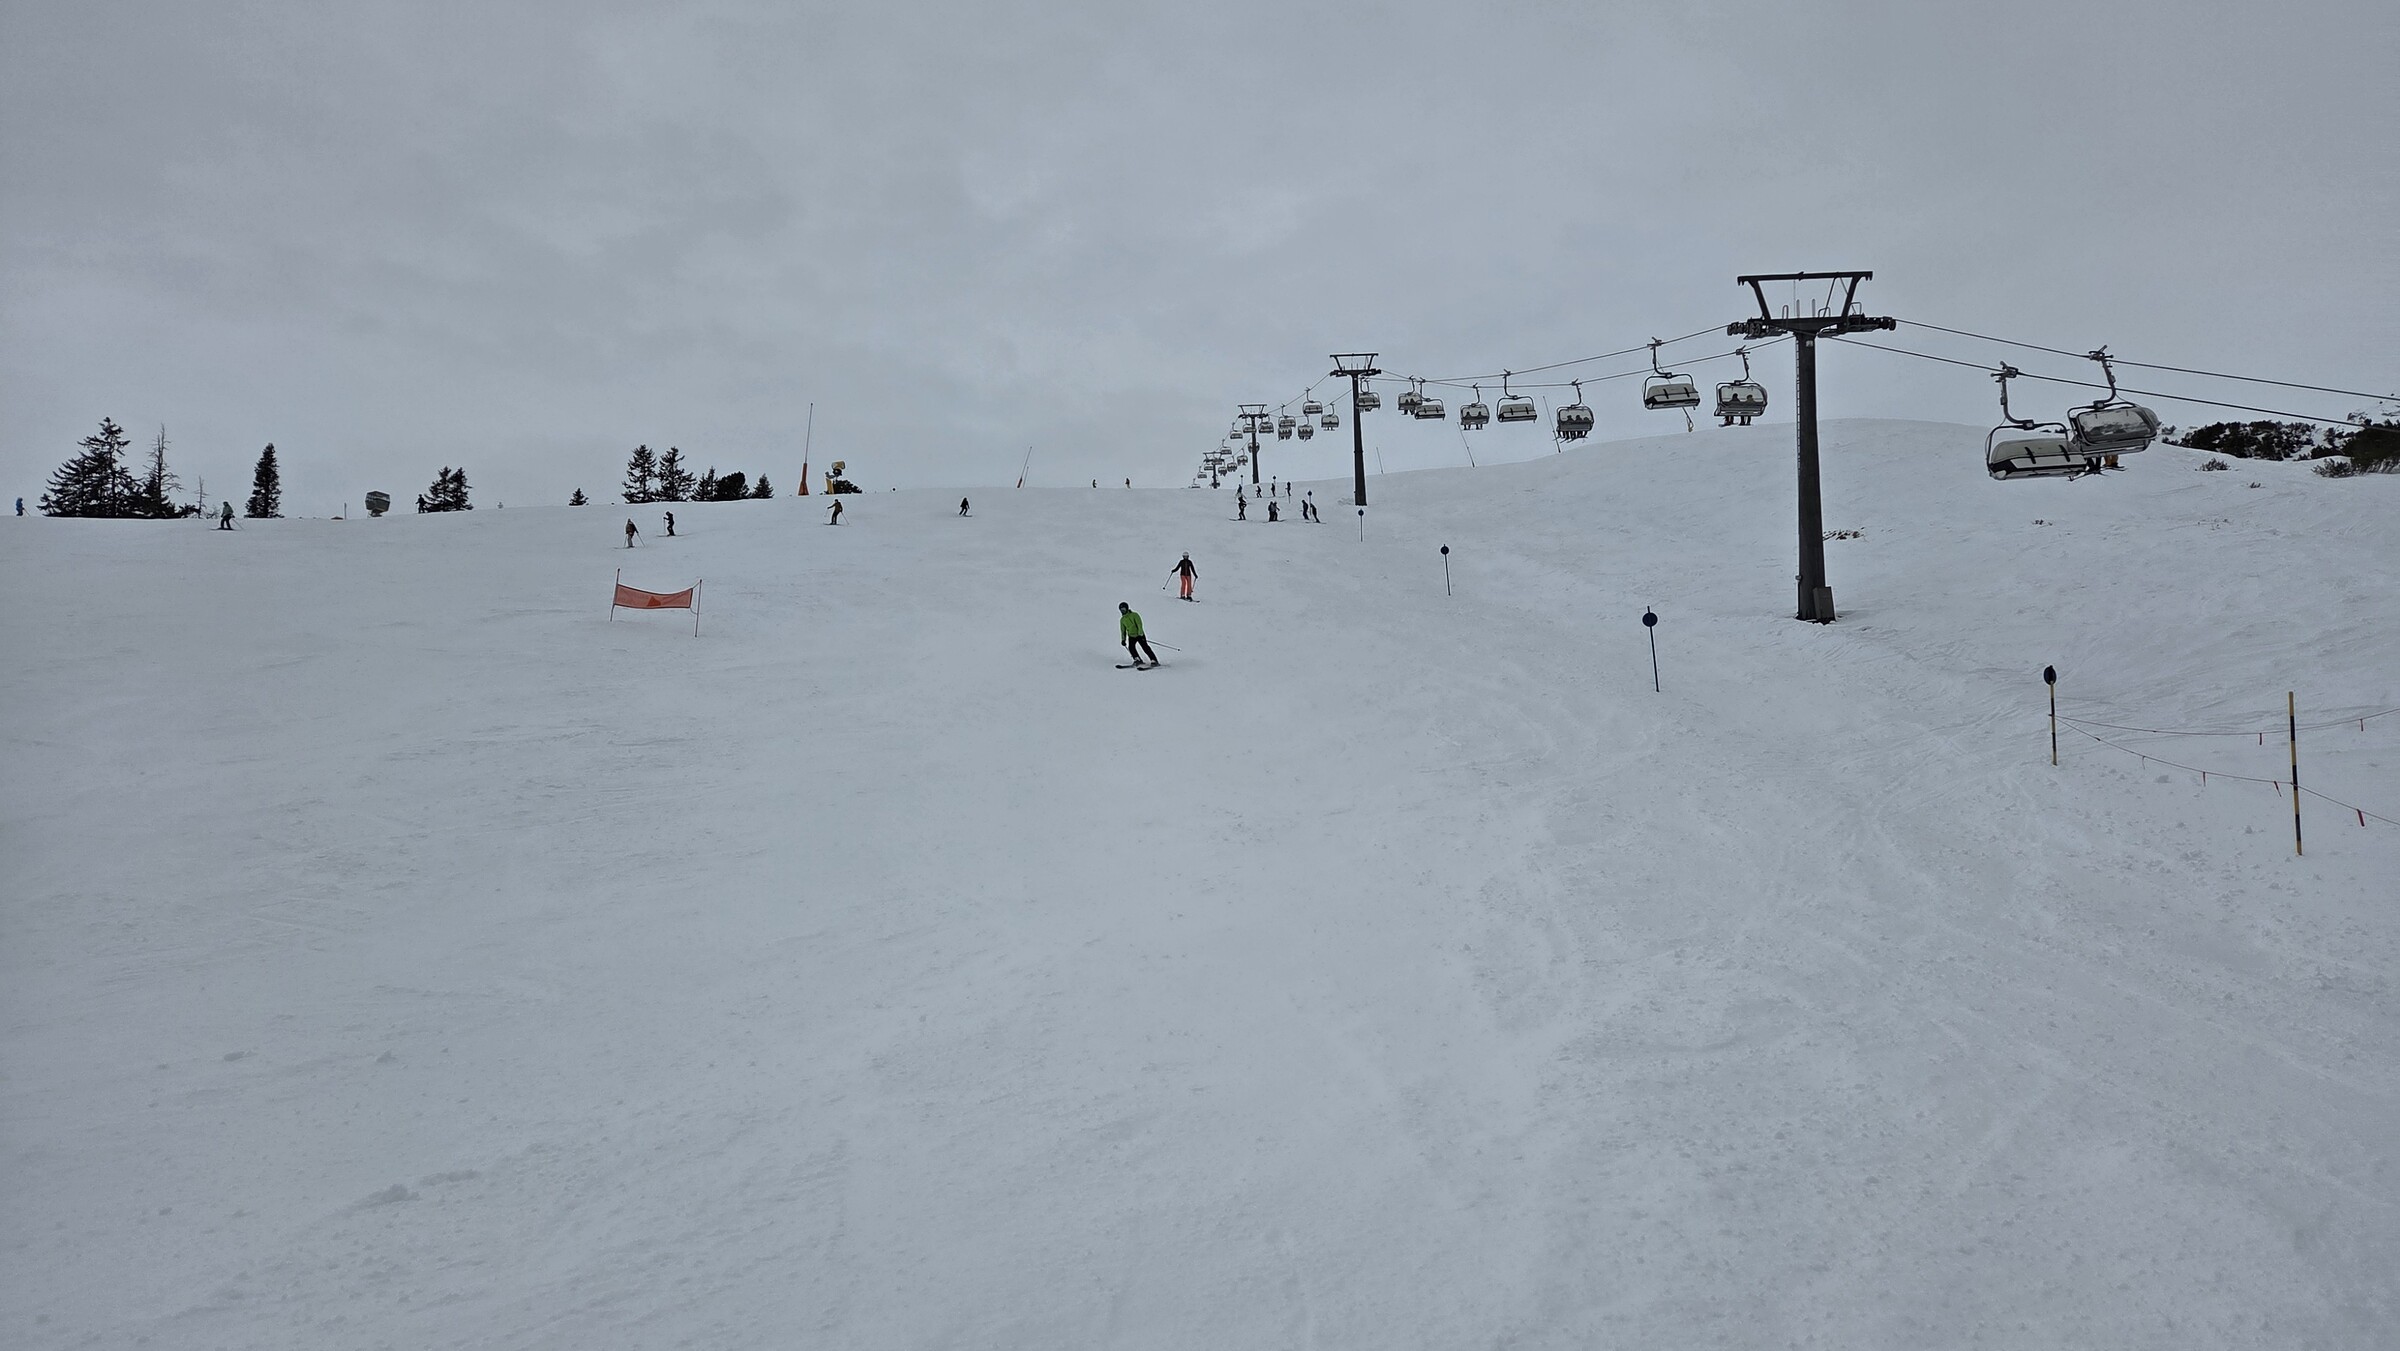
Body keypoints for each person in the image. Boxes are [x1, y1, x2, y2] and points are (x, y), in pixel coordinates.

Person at [1118, 602, 1158, 668]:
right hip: (1131, 636)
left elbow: (1139, 624)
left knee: (1145, 647)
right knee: (1131, 648)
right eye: (1121, 610)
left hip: (1139, 635)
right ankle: (1137, 659)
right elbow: (1123, 631)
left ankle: (1154, 660)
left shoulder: (1134, 615)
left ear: (1127, 608)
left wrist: (1140, 633)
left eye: (1124, 609)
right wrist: (1123, 640)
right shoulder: (1122, 620)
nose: (1123, 611)